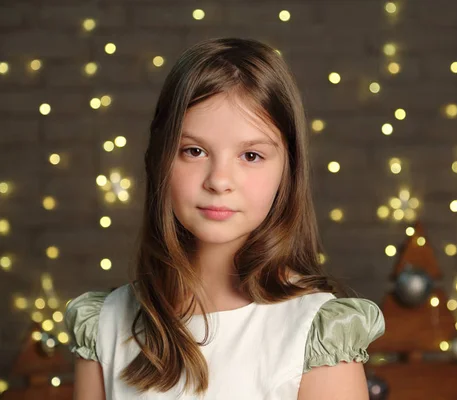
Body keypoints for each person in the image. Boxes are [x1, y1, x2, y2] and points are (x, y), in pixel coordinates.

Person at [65, 37, 385, 400]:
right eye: (194, 151)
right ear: (160, 159)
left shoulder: (316, 334)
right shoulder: (105, 324)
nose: (219, 180)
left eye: (250, 155)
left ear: (288, 169)